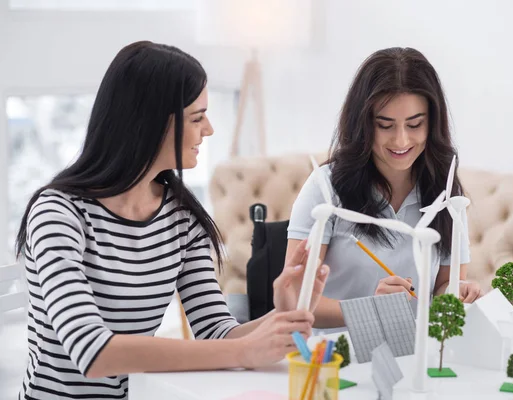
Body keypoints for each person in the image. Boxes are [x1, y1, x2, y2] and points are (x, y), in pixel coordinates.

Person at [14, 41, 329, 399]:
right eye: (197, 117)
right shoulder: (59, 213)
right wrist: (243, 351)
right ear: (148, 123)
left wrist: (282, 315)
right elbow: (92, 351)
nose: (208, 129)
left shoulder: (182, 218)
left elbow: (216, 332)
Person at [285, 47, 482, 330]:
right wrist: (371, 310)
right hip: (334, 356)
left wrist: (457, 295)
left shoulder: (447, 193)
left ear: (432, 124)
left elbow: (443, 286)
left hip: (414, 354)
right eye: (385, 125)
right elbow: (294, 297)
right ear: (363, 125)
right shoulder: (325, 188)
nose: (401, 140)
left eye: (414, 124)